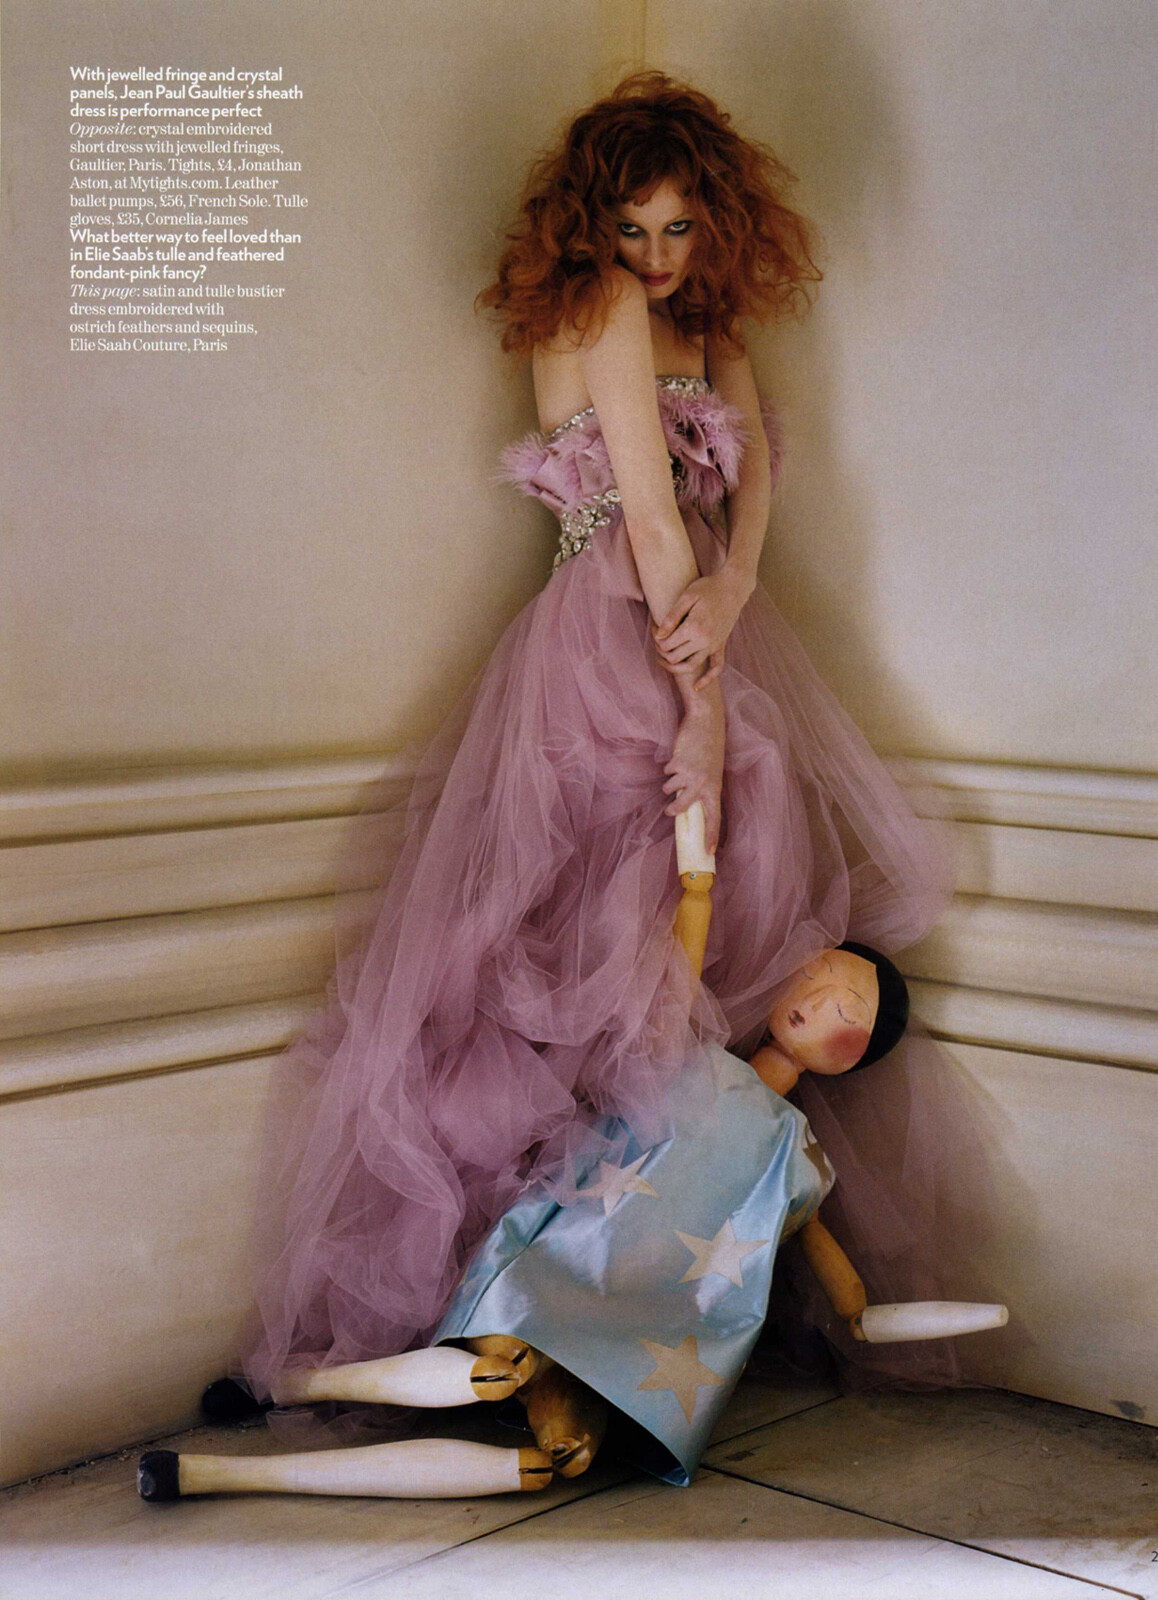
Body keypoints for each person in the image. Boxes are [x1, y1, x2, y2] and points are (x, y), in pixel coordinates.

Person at [235, 70, 956, 1409]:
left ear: (715, 223)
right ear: (590, 224)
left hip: (704, 624)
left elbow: (757, 471)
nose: (655, 255)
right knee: (590, 940)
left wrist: (739, 592)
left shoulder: (705, 320)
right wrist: (701, 708)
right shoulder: (603, 306)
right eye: (632, 227)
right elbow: (650, 514)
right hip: (613, 631)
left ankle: (637, 1294)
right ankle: (515, 1302)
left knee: (687, 942)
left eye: (679, 228)